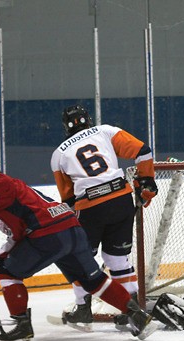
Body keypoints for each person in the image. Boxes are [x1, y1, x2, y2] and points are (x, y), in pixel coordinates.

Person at [0, 166, 157, 341]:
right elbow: (15, 239)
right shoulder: (18, 197)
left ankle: (22, 326)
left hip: (49, 234)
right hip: (72, 228)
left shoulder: (6, 185)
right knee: (94, 280)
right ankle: (137, 315)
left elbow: (0, 183)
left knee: (9, 273)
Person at [50, 104, 158, 328]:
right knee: (117, 259)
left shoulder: (59, 154)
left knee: (80, 259)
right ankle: (133, 310)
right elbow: (143, 151)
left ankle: (82, 309)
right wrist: (146, 181)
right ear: (87, 119)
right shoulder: (106, 131)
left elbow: (69, 200)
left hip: (90, 209)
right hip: (121, 200)